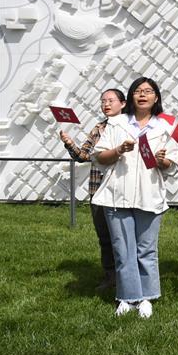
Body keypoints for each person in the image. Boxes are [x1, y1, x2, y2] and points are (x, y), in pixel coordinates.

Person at [93, 77, 178, 319]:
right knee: (123, 249)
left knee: (146, 250)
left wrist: (162, 160)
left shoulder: (164, 128)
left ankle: (146, 297)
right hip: (116, 195)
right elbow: (99, 157)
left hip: (149, 195)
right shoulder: (117, 123)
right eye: (138, 91)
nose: (142, 95)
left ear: (156, 98)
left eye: (148, 91)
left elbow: (172, 164)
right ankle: (126, 297)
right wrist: (119, 149)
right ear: (131, 97)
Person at [59, 88, 126, 290]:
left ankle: (128, 277)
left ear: (123, 103)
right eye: (103, 101)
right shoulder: (99, 128)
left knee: (123, 237)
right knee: (105, 237)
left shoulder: (131, 126)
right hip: (98, 191)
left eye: (111, 100)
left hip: (123, 189)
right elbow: (83, 156)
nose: (106, 104)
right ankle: (110, 276)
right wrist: (70, 144)